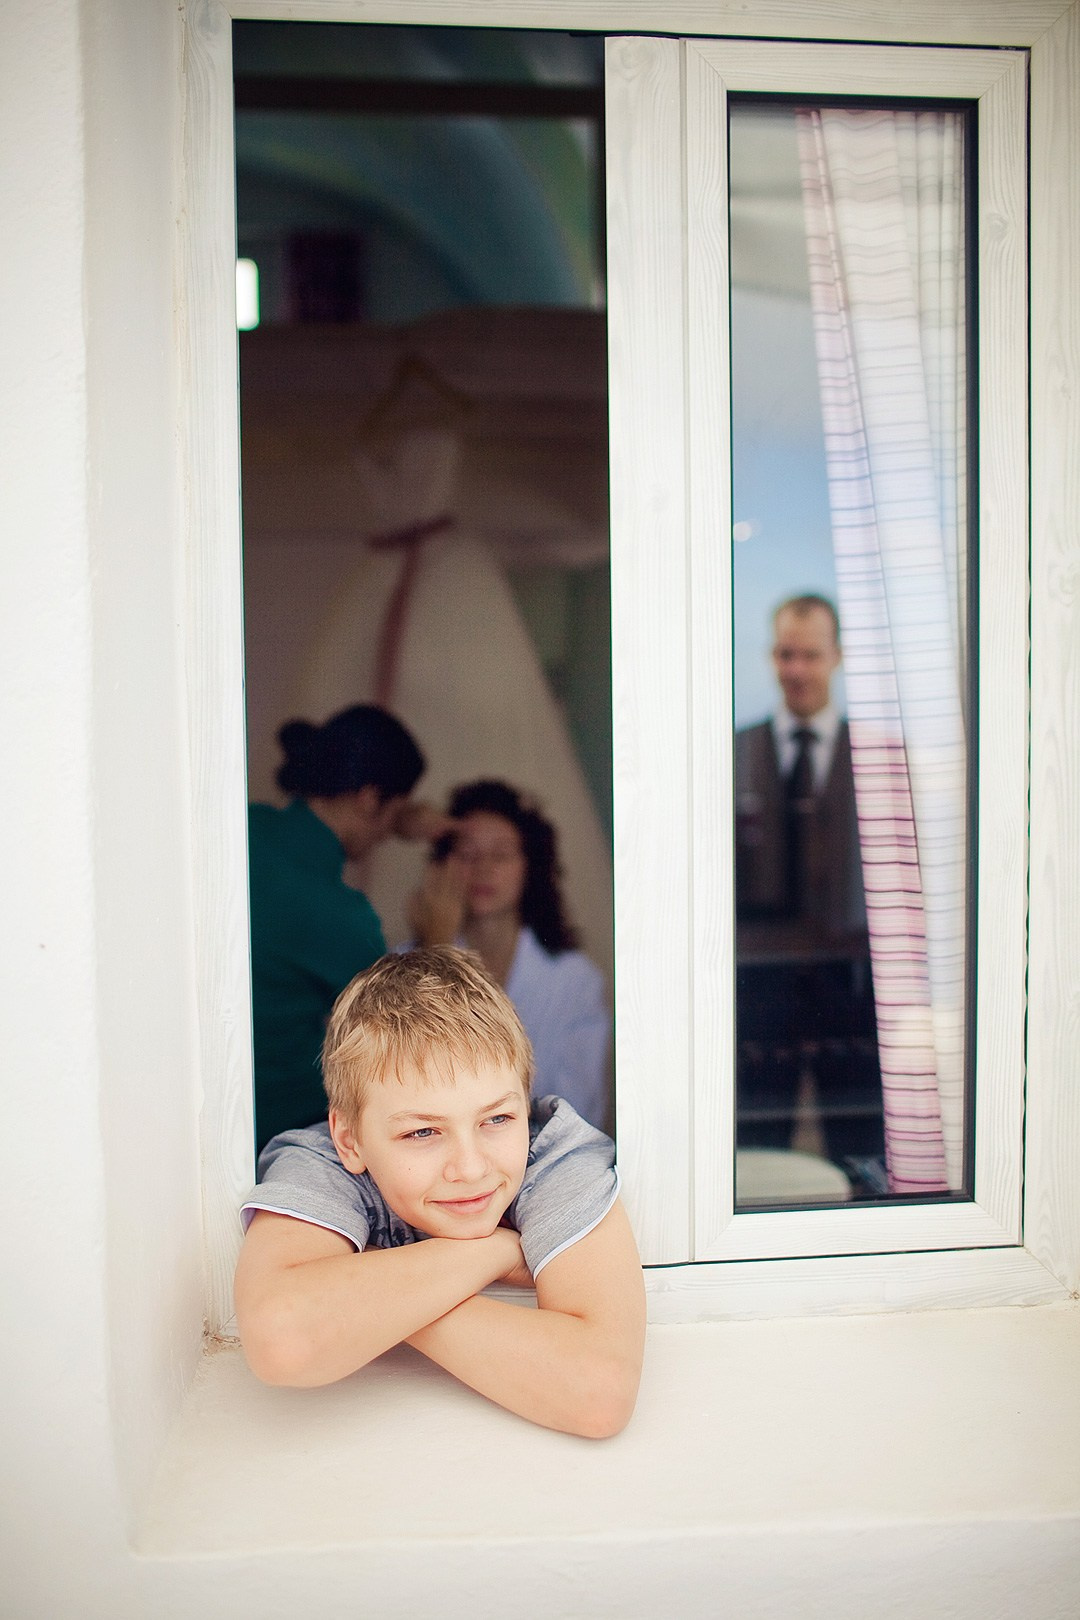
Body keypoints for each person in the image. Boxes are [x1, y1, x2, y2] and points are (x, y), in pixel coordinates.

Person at [235, 946, 646, 1438]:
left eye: (497, 1119)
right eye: (423, 1133)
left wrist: (377, 1303)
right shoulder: (322, 1162)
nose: (471, 1168)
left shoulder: (553, 1155)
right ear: (349, 1140)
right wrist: (498, 1250)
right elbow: (282, 1339)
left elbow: (599, 1393)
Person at [248, 703, 449, 1152]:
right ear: (370, 797)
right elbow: (409, 1035)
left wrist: (397, 817)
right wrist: (437, 939)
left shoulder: (244, 826)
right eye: (391, 811)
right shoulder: (340, 914)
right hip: (283, 1130)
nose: (383, 835)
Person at [734, 595, 882, 1169]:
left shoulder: (876, 758)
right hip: (760, 985)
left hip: (850, 985)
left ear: (837, 657)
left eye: (810, 656)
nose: (795, 670)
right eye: (784, 654)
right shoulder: (733, 752)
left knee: (860, 1147)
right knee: (757, 1151)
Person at [408, 779, 612, 1133]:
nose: (483, 869)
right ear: (442, 865)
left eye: (501, 854)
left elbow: (582, 1113)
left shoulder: (576, 979)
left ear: (530, 868)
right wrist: (436, 950)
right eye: (468, 854)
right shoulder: (405, 964)